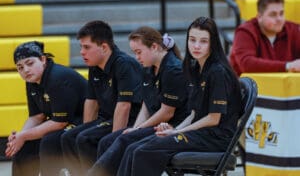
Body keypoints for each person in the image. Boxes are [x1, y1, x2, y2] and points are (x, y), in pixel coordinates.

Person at [116, 17, 243, 176]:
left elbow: (213, 119)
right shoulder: (197, 68)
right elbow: (194, 114)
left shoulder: (217, 71)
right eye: (192, 40)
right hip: (200, 133)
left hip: (215, 138)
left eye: (203, 41)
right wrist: (175, 130)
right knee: (134, 147)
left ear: (213, 43)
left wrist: (176, 132)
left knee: (144, 151)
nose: (196, 46)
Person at [87, 26, 190, 176]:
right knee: (107, 141)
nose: (137, 57)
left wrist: (138, 129)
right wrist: (136, 128)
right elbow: (146, 105)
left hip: (171, 125)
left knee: (126, 141)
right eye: (135, 53)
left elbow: (167, 112)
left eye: (139, 52)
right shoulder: (148, 68)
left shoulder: (173, 70)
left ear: (154, 47)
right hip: (154, 124)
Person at [60, 20, 143, 176]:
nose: (82, 52)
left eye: (87, 47)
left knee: (85, 139)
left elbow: (124, 106)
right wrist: (85, 127)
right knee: (69, 137)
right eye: (81, 47)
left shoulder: (123, 64)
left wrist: (114, 143)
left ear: (104, 47)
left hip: (132, 119)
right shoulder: (94, 65)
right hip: (107, 118)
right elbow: (91, 101)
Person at [5, 41, 88, 176]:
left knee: (49, 141)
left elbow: (60, 122)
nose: (25, 70)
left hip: (86, 119)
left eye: (30, 63)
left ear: (43, 59)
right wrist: (19, 137)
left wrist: (24, 135)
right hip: (63, 121)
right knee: (23, 146)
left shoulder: (57, 77)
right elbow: (37, 116)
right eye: (20, 67)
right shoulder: (32, 81)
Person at [230, 0, 300, 76]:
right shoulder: (245, 32)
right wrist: (287, 66)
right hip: (246, 86)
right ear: (259, 17)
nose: (279, 19)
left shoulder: (293, 29)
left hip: (283, 85)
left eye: (281, 13)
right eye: (273, 15)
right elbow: (247, 64)